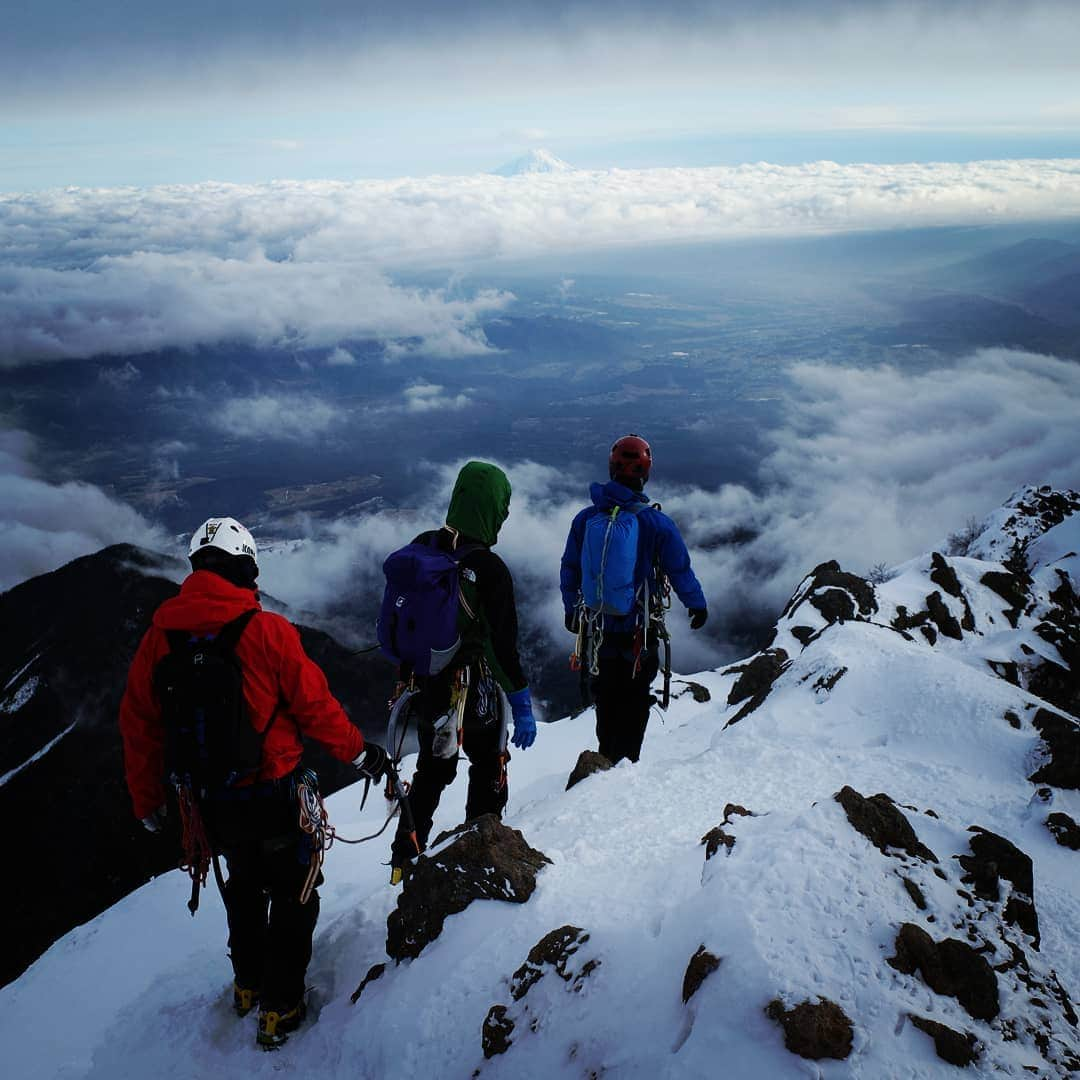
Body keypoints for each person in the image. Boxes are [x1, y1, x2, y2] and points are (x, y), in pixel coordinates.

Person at [119, 516, 387, 1049]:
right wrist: (360, 753)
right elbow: (315, 708)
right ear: (246, 569)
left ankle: (247, 985)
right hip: (275, 794)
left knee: (242, 885)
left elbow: (139, 724)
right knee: (294, 894)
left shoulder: (159, 640)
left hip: (209, 800)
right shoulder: (266, 631)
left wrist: (147, 801)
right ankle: (280, 1006)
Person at [388, 461, 536, 884]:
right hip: (475, 687)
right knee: (488, 765)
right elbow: (502, 646)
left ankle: (403, 862)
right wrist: (522, 703)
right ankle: (481, 853)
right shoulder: (490, 568)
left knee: (431, 774)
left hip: (426, 684)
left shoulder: (424, 548)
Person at [560, 435, 707, 765]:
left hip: (598, 629)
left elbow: (570, 566)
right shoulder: (655, 522)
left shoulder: (585, 519)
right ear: (645, 473)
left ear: (611, 469)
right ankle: (627, 763)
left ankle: (606, 757)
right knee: (635, 698)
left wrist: (571, 609)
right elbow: (679, 569)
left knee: (607, 698)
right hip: (639, 631)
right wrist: (696, 604)